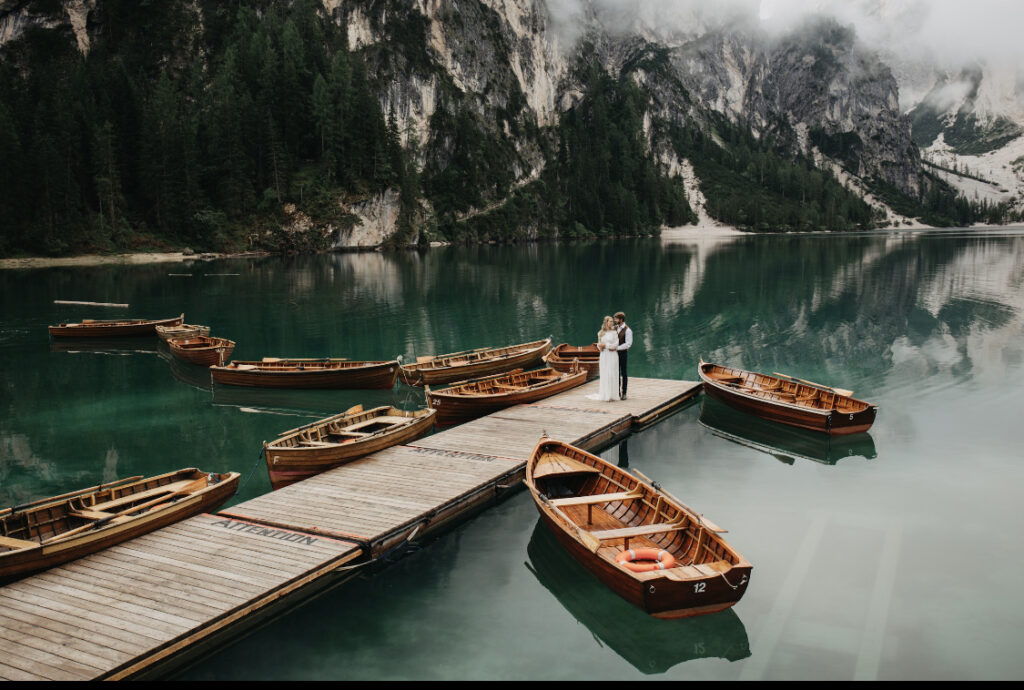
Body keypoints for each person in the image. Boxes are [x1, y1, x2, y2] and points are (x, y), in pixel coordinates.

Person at [586, 316, 620, 402]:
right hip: (604, 355)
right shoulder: (600, 333)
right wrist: (599, 347)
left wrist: (606, 346)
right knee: (605, 373)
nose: (612, 323)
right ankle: (606, 394)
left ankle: (613, 395)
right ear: (606, 322)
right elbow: (599, 344)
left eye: (612, 321)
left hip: (612, 355)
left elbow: (616, 345)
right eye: (610, 321)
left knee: (612, 373)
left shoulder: (614, 333)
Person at [614, 311, 632, 400]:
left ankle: (624, 393)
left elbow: (628, 344)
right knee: (616, 373)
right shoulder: (614, 328)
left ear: (621, 319)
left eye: (616, 319)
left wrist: (616, 348)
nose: (615, 320)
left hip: (623, 354)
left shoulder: (628, 330)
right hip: (614, 355)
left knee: (624, 373)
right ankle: (617, 392)